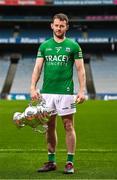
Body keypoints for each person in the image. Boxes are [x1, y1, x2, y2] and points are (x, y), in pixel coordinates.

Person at [30, 13, 86, 174]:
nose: (59, 28)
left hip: (66, 93)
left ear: (66, 27)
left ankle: (69, 162)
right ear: (52, 26)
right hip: (47, 93)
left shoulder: (74, 46)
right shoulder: (44, 46)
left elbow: (81, 70)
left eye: (62, 26)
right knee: (49, 126)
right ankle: (51, 161)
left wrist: (81, 91)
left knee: (68, 125)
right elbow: (38, 68)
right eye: (56, 25)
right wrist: (33, 88)